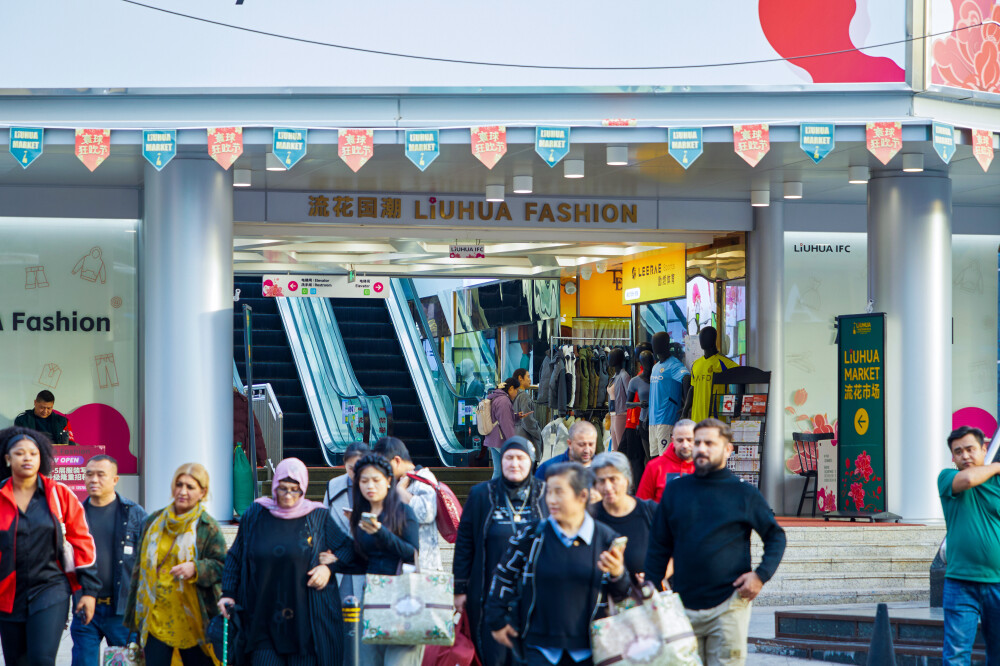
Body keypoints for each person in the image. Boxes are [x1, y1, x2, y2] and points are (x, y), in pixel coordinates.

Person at [644, 418, 786, 666]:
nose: (701, 448)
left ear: (728, 449)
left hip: (729, 605)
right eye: (698, 442)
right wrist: (650, 592)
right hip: (681, 606)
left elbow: (775, 536)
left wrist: (760, 576)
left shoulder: (744, 493)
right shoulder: (676, 491)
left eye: (709, 443)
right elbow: (658, 546)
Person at [485, 462, 630, 666]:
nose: (551, 500)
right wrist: (496, 620)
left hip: (592, 649)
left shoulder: (606, 539)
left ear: (582, 496)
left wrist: (618, 573)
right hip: (537, 647)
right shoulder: (532, 535)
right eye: (549, 492)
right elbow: (503, 576)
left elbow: (623, 593)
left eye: (559, 493)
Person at [220, 458, 359, 666]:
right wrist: (228, 594)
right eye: (282, 489)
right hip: (262, 619)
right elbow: (235, 557)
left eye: (295, 490)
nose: (288, 496)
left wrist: (328, 568)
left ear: (303, 488)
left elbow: (348, 550)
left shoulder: (318, 516)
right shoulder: (256, 513)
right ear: (274, 485)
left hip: (307, 624)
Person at [0, 427, 100, 666]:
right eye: (20, 453)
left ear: (41, 457)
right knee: (17, 661)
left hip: (51, 588)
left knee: (41, 659)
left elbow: (82, 542)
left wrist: (88, 591)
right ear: (7, 458)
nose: (27, 458)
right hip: (7, 592)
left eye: (33, 453)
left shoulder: (59, 494)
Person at [453, 437, 546, 666]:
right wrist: (459, 588)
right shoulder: (481, 494)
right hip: (488, 592)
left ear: (531, 461)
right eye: (509, 458)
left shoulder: (545, 494)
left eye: (520, 458)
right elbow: (465, 544)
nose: (514, 463)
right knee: (491, 655)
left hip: (534, 595)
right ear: (500, 461)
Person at [124, 463, 227, 666]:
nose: (182, 491)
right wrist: (133, 622)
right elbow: (139, 571)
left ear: (203, 492)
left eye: (190, 487)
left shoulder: (208, 527)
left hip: (194, 619)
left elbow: (223, 566)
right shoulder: (153, 521)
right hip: (156, 616)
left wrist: (196, 568)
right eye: (179, 484)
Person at [328, 454, 422, 666]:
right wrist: (333, 562)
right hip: (372, 598)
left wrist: (381, 533)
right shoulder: (361, 515)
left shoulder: (403, 512)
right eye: (363, 480)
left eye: (376, 480)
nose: (370, 486)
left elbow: (411, 553)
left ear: (389, 481)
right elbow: (364, 561)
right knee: (367, 661)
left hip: (402, 600)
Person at [71, 455, 148, 666]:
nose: (93, 479)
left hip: (122, 611)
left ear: (115, 479)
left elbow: (148, 561)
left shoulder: (135, 513)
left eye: (100, 475)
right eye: (89, 474)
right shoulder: (76, 514)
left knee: (126, 663)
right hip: (85, 609)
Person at [938, 426, 1000, 664]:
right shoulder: (948, 477)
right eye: (958, 451)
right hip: (960, 581)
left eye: (971, 449)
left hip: (998, 581)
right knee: (956, 655)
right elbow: (968, 479)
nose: (965, 456)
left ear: (984, 448)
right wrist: (996, 465)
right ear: (952, 457)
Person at [372, 436, 443, 572]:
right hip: (403, 562)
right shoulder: (400, 480)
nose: (382, 470)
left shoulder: (423, 478)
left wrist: (399, 491)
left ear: (397, 460)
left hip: (423, 564)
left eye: (384, 465)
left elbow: (426, 512)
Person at [590, 452, 656, 586]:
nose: (607, 487)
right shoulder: (588, 515)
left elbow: (676, 548)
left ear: (626, 479)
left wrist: (655, 575)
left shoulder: (650, 511)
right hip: (602, 599)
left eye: (613, 479)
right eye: (601, 481)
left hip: (645, 598)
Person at [322, 442, 370, 602]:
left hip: (368, 564)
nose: (356, 473)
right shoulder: (334, 486)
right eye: (351, 468)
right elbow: (323, 523)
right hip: (339, 563)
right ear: (344, 465)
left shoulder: (377, 486)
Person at [636, 419, 696, 502]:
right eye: (680, 440)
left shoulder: (707, 467)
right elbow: (642, 506)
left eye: (689, 440)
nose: (685, 445)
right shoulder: (654, 467)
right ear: (673, 440)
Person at [484, 379, 518, 480]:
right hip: (500, 440)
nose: (516, 394)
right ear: (511, 388)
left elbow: (499, 418)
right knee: (507, 471)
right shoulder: (504, 401)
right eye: (517, 390)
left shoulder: (496, 398)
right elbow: (506, 424)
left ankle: (493, 494)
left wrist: (517, 416)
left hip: (493, 439)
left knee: (498, 471)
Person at [233, 386, 267, 468]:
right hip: (239, 456)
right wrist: (261, 460)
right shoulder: (243, 402)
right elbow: (255, 432)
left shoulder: (211, 402)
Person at [511, 368, 542, 450]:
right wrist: (538, 432)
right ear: (520, 378)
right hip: (525, 437)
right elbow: (527, 419)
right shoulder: (524, 396)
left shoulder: (513, 395)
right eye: (528, 377)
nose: (530, 379)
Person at [607, 349, 631, 451]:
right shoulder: (614, 377)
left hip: (621, 414)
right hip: (613, 414)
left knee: (621, 448)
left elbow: (630, 396)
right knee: (614, 448)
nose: (608, 358)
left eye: (611, 356)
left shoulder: (624, 376)